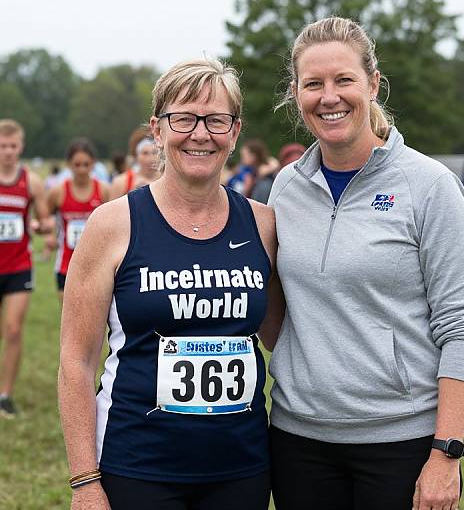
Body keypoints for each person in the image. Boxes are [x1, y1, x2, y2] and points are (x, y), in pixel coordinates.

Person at [266, 17, 464, 510]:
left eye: (344, 80)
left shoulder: (430, 187)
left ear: (372, 84)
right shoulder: (286, 188)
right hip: (299, 441)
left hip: (402, 444)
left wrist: (445, 452)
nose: (330, 97)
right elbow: (278, 307)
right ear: (297, 94)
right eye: (313, 84)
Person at [58, 58, 277, 510]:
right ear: (157, 129)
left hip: (242, 466)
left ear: (235, 131)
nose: (201, 133)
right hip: (137, 464)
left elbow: (280, 335)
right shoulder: (112, 224)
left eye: (216, 120)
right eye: (184, 118)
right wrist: (84, 481)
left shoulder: (264, 224)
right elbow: (76, 362)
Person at [0, 119, 50, 417]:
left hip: (19, 265)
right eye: (3, 146)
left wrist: (40, 225)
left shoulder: (31, 182)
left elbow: (45, 220)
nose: (7, 151)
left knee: (14, 329)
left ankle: (5, 394)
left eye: (13, 146)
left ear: (21, 147)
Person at [47, 139, 109, 302]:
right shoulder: (58, 192)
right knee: (69, 317)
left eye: (86, 164)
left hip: (98, 264)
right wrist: (49, 234)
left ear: (93, 164)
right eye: (77, 164)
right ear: (69, 165)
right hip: (66, 265)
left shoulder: (103, 190)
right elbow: (45, 217)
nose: (82, 170)